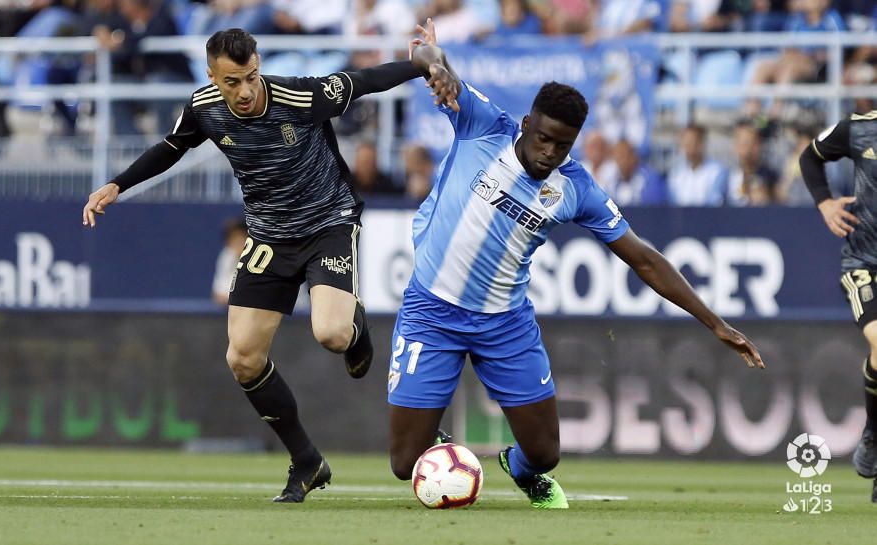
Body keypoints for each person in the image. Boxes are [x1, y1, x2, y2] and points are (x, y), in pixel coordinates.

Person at [390, 20, 765, 510]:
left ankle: (517, 468)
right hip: (432, 310)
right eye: (544, 138)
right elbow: (429, 63)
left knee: (544, 454)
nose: (550, 152)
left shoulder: (575, 189)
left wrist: (715, 323)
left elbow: (645, 260)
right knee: (404, 462)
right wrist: (435, 61)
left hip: (504, 322)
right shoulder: (483, 125)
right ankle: (437, 451)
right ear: (527, 123)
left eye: (562, 145)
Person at [81, 27, 458, 503]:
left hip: (328, 223)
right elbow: (173, 147)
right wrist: (117, 184)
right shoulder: (203, 107)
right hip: (268, 236)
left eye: (251, 77)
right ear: (212, 77)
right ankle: (306, 460)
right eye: (232, 81)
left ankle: (355, 326)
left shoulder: (300, 95)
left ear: (259, 65)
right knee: (241, 358)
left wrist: (423, 63)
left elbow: (365, 80)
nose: (244, 90)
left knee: (332, 335)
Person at [798, 109, 877, 502]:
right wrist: (825, 203)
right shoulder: (860, 128)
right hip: (865, 263)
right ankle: (874, 434)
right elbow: (809, 157)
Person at [212, 217, 248, 305]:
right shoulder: (227, 255)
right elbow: (218, 294)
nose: (237, 243)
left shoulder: (258, 257)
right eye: (233, 239)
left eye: (240, 238)